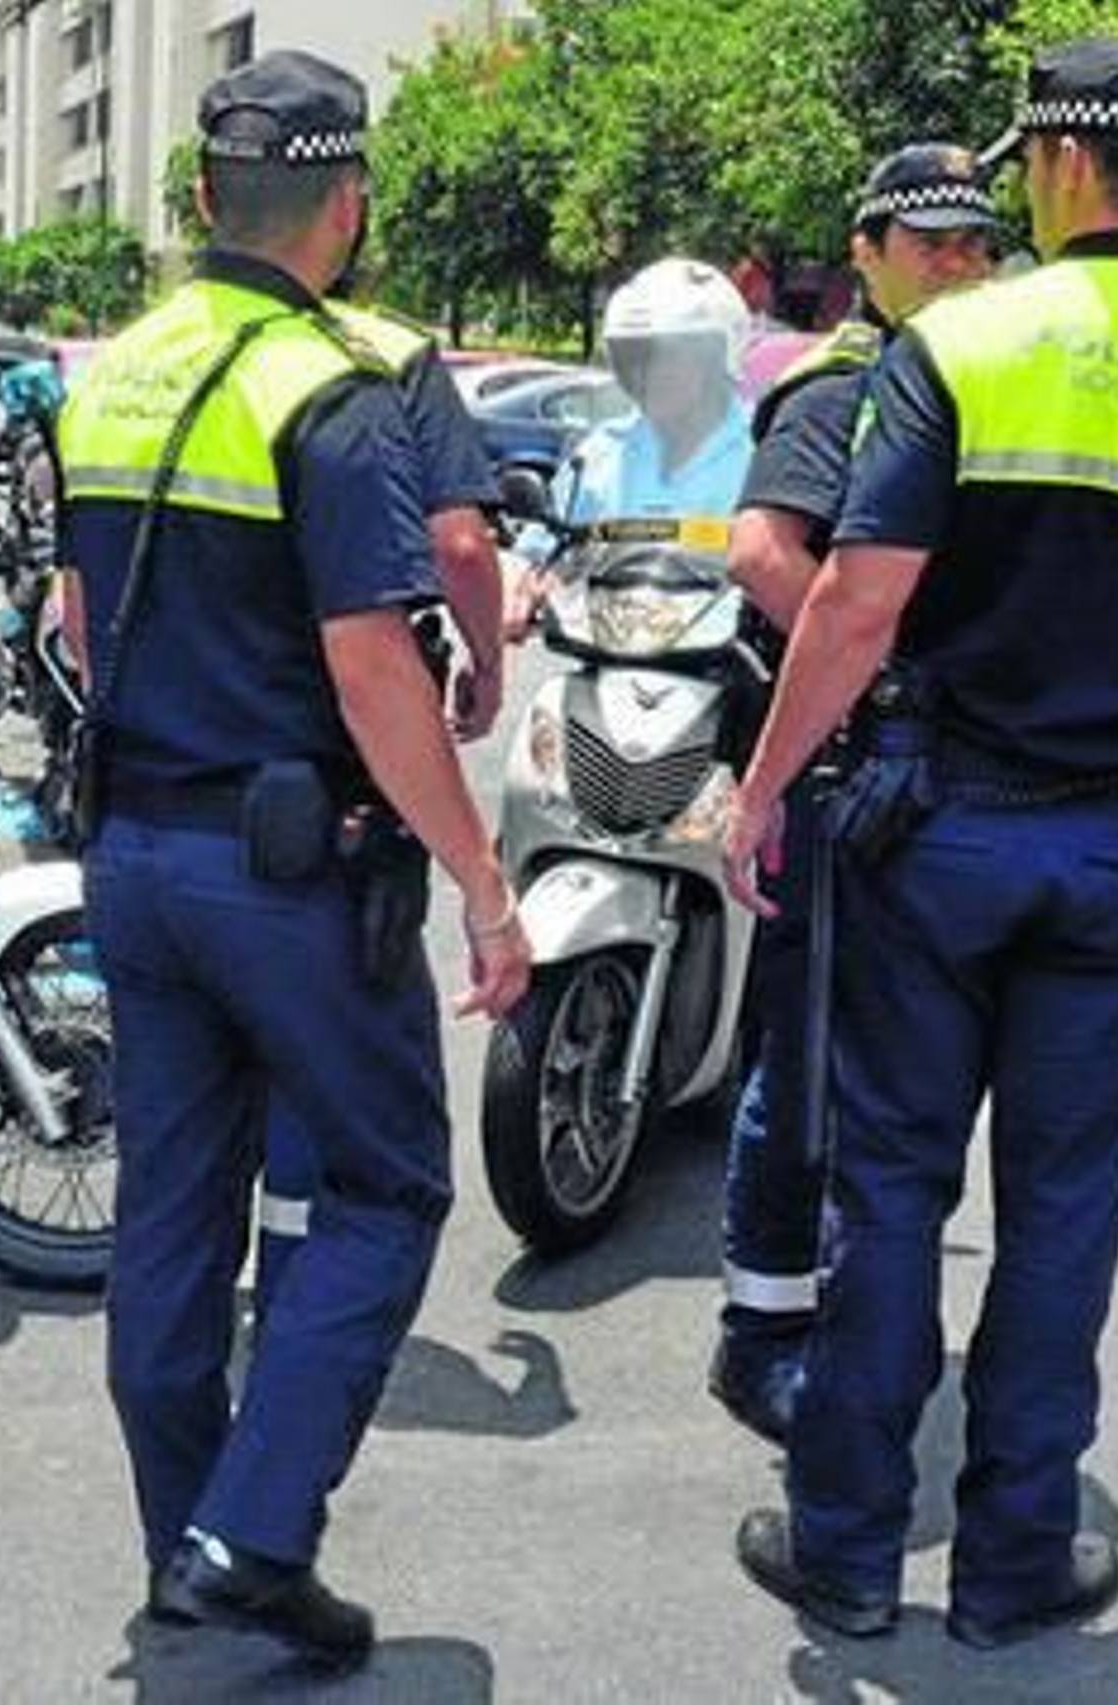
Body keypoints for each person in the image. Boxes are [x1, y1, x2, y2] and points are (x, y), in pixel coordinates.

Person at [722, 36, 1118, 1648]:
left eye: (1023, 161)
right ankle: (1016, 1558)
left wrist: (764, 788)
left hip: (935, 838)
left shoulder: (964, 344)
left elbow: (856, 602)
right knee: (1067, 1209)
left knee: (890, 1187)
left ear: (1070, 164)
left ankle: (848, 1549)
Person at [57, 49, 530, 1669]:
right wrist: (482, 884)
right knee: (389, 1184)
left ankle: (184, 1554)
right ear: (349, 206)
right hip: (284, 874)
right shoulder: (328, 391)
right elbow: (374, 669)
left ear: (202, 196)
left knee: (173, 1221)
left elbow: (78, 625)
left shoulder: (109, 376)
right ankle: (251, 1539)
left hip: (136, 850)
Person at [710, 143, 996, 1448]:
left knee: (878, 1066)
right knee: (806, 1060)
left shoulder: (972, 376)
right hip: (836, 767)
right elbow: (765, 552)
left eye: (975, 242)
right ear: (865, 251)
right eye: (928, 242)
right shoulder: (844, 384)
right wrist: (886, 669)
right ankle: (762, 1333)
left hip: (916, 775)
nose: (957, 263)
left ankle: (832, 1312)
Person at [256, 294, 507, 1318]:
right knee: (366, 1130)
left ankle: (246, 1330)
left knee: (192, 1155)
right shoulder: (387, 353)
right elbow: (459, 547)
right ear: (347, 219)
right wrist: (487, 658)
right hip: (334, 785)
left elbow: (78, 608)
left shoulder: (160, 354)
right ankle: (296, 1348)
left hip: (169, 798)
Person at [502, 257, 752, 633]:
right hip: (604, 650)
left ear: (715, 356)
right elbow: (534, 551)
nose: (645, 373)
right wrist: (517, 584)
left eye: (665, 355)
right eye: (633, 358)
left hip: (725, 659)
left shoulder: (766, 452)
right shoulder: (600, 452)